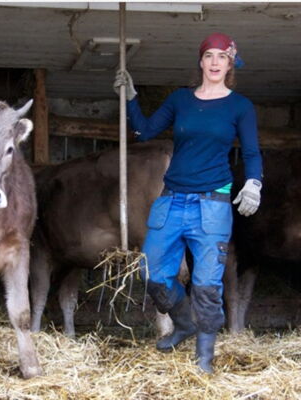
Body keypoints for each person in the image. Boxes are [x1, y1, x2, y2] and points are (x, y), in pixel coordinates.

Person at [113, 32, 262, 374]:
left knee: (207, 286)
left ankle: (204, 362)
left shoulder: (240, 106)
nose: (214, 62)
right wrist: (130, 97)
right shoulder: (181, 99)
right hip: (172, 201)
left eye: (221, 57)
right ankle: (184, 323)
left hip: (213, 205)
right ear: (200, 61)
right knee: (152, 274)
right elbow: (146, 131)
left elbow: (251, 151)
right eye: (208, 55)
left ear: (229, 63)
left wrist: (254, 182)